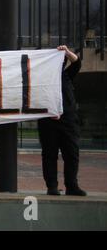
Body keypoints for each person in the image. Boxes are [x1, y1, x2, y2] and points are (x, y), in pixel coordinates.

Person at [38, 45, 87, 196]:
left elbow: (77, 62)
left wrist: (66, 51)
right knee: (49, 154)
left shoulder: (66, 75)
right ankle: (52, 186)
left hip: (68, 121)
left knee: (72, 154)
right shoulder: (40, 78)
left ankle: (72, 186)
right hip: (48, 121)